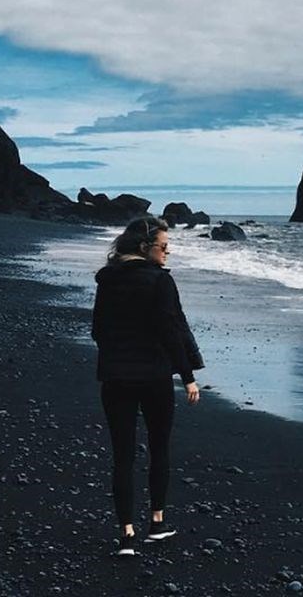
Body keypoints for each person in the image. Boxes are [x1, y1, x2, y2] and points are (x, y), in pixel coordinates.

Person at [90, 216, 204, 557]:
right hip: (154, 376)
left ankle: (126, 534)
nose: (168, 253)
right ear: (145, 247)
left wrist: (117, 354)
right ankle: (157, 523)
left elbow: (98, 330)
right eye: (164, 247)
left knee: (122, 456)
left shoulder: (107, 280)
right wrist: (188, 377)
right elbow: (171, 332)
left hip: (115, 377)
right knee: (159, 449)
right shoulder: (160, 282)